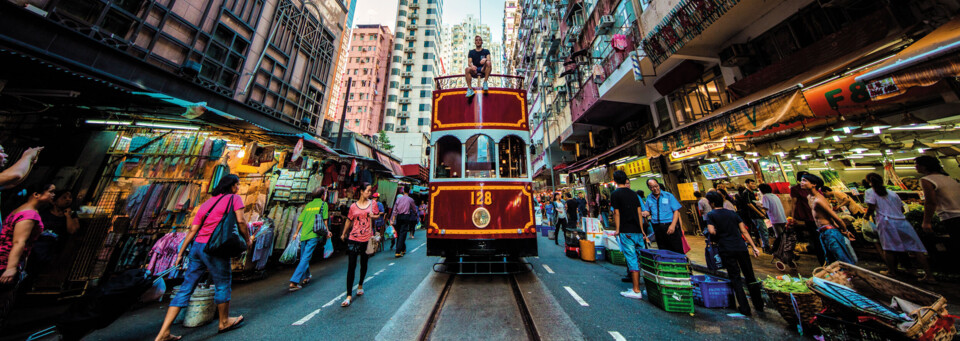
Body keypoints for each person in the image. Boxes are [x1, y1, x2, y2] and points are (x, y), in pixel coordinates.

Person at [155, 174, 252, 340]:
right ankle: (224, 322)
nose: (238, 188)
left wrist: (180, 252)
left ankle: (163, 331)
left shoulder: (207, 203)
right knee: (223, 282)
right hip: (215, 247)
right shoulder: (234, 199)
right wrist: (248, 240)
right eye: (237, 185)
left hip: (197, 247)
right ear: (232, 186)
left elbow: (193, 230)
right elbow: (241, 221)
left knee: (186, 287)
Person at [1, 183, 54, 326]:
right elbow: (19, 242)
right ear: (36, 194)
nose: (53, 195)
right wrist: (11, 268)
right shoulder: (29, 214)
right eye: (50, 191)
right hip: (6, 261)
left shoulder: (21, 210)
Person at [863, 173, 933, 281]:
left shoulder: (870, 192)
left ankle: (891, 272)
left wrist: (866, 216)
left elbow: (871, 206)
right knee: (916, 249)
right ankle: (929, 276)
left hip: (886, 222)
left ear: (869, 182)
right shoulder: (892, 193)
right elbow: (902, 208)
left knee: (888, 249)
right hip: (902, 222)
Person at [704, 191, 763, 316]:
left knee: (735, 277)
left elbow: (711, 231)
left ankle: (744, 307)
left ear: (712, 203)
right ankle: (759, 305)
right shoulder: (732, 213)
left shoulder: (711, 215)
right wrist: (754, 247)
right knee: (750, 276)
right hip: (741, 247)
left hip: (726, 248)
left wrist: (717, 232)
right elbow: (744, 231)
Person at [609, 171, 650, 299]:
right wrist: (642, 230)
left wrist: (617, 229)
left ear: (615, 180)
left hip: (626, 231)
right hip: (638, 231)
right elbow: (639, 212)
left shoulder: (615, 194)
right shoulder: (634, 194)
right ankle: (648, 289)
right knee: (643, 259)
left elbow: (617, 213)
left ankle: (636, 289)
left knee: (632, 260)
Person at [916, 155, 960, 271]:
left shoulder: (927, 180)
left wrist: (926, 222)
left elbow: (930, 202)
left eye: (917, 165)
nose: (915, 167)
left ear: (924, 167)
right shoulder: (950, 178)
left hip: (951, 217)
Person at [800, 174, 856, 265]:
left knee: (842, 259)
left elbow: (835, 217)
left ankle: (849, 276)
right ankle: (837, 277)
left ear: (814, 184)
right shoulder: (809, 197)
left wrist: (845, 231)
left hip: (831, 232)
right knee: (830, 259)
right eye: (801, 180)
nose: (801, 183)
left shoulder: (819, 200)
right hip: (822, 232)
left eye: (804, 180)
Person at [341, 183, 380, 307]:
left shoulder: (373, 204)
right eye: (368, 191)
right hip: (354, 238)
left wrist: (373, 216)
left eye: (371, 191)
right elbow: (349, 219)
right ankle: (348, 295)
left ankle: (360, 285)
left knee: (364, 263)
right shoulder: (353, 206)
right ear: (362, 192)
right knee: (351, 266)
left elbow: (378, 215)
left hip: (367, 239)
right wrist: (344, 233)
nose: (370, 193)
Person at [28, 190, 80, 277]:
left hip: (54, 251)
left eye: (70, 197)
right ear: (53, 201)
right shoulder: (43, 213)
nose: (68, 200)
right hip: (37, 248)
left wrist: (68, 216)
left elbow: (72, 230)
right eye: (64, 197)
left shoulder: (72, 215)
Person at [288, 189, 331, 292]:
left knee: (304, 256)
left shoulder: (308, 205)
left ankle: (307, 276)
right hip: (314, 234)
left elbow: (301, 220)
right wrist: (328, 231)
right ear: (322, 195)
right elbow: (325, 220)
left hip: (304, 234)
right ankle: (294, 281)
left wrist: (296, 233)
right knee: (305, 257)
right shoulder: (323, 204)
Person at [791, 171, 824, 264]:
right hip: (808, 217)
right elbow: (793, 203)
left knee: (823, 240)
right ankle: (823, 261)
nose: (803, 182)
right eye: (802, 179)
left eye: (806, 179)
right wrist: (792, 217)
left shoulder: (816, 193)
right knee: (817, 240)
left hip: (820, 218)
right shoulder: (796, 189)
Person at [643, 179, 684, 254]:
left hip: (669, 225)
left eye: (656, 186)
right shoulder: (649, 198)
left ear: (658, 185)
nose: (655, 189)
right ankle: (667, 264)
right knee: (663, 248)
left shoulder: (668, 196)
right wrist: (644, 213)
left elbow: (676, 211)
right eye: (652, 187)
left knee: (676, 248)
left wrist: (673, 225)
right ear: (649, 188)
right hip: (657, 227)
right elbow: (648, 211)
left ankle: (680, 264)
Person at [739, 179, 770, 252]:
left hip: (755, 214)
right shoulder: (747, 193)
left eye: (754, 184)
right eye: (752, 183)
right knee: (763, 230)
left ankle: (765, 246)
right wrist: (760, 213)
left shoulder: (751, 193)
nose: (754, 185)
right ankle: (766, 247)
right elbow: (749, 204)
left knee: (762, 230)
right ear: (747, 184)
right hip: (754, 215)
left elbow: (754, 204)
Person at [390, 186, 416, 257]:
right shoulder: (410, 200)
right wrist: (416, 214)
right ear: (409, 191)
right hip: (405, 217)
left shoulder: (398, 199)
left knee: (400, 233)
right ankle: (398, 251)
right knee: (402, 233)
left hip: (399, 217)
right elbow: (414, 209)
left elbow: (394, 210)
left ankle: (402, 249)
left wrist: (392, 220)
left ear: (403, 191)